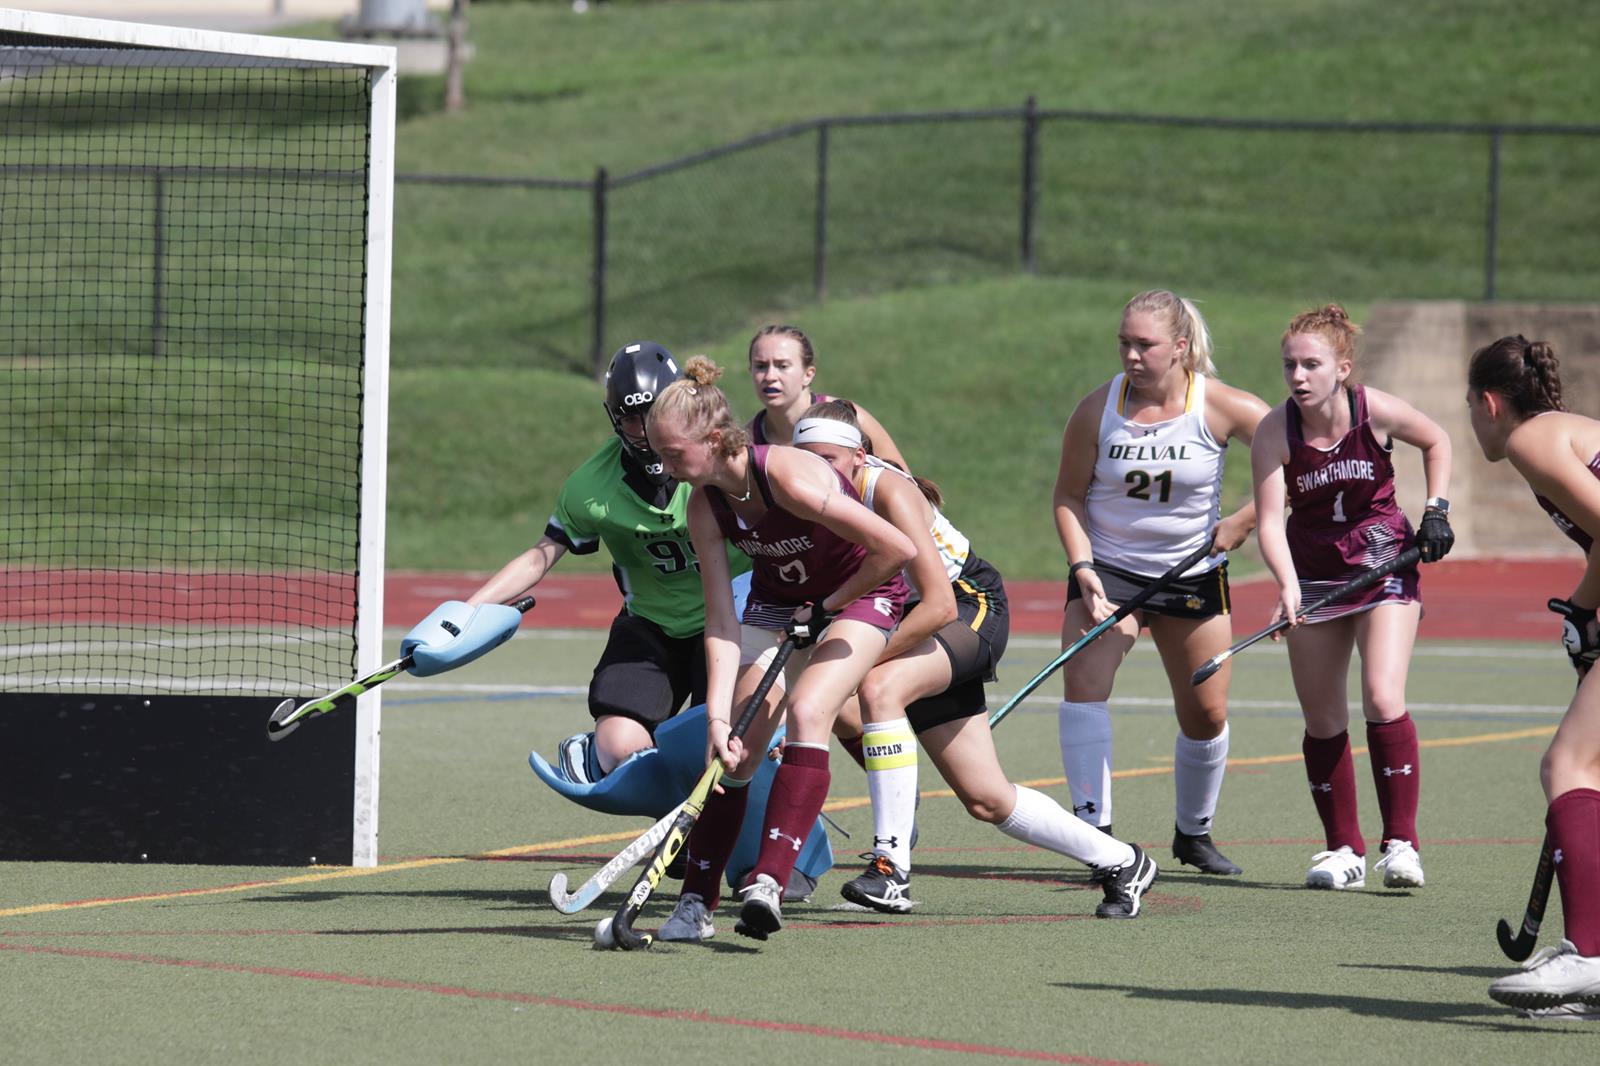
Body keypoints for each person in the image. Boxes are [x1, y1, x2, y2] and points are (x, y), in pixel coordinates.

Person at [795, 401, 1157, 918]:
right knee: (986, 798)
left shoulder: (891, 492)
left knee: (878, 687)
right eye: (807, 460)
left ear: (858, 456)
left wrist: (862, 663)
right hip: (911, 618)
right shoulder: (807, 494)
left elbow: (939, 605)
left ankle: (890, 867)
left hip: (966, 605)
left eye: (829, 457)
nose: (819, 471)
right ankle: (1124, 861)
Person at [645, 356, 916, 943]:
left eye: (672, 455)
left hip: (862, 593)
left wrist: (826, 605)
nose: (665, 469)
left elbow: (895, 549)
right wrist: (719, 717)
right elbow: (720, 622)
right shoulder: (704, 506)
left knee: (810, 709)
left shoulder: (788, 476)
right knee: (736, 753)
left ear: (715, 439)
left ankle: (769, 880)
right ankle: (695, 904)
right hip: (777, 603)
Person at [1053, 289, 1270, 876]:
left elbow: (1299, 462)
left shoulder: (1223, 405)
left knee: (1206, 712)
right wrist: (1083, 568)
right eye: (1123, 342)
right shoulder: (1096, 409)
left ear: (1179, 347)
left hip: (1192, 574)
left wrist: (1245, 521)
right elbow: (1069, 496)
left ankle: (1193, 834)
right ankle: (1095, 838)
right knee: (1085, 687)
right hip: (1111, 573)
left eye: (1143, 344)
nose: (1130, 355)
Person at [457, 342, 745, 781]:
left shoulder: (726, 466)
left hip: (735, 622)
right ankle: (616, 768)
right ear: (614, 419)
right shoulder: (592, 485)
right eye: (632, 418)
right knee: (620, 748)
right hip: (653, 625)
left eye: (654, 412)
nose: (646, 431)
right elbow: (540, 556)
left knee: (729, 746)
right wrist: (465, 613)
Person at [1250, 304, 1454, 891]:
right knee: (1322, 718)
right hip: (1314, 576)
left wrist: (1436, 511)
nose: (1297, 376)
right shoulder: (1275, 430)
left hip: (1383, 561)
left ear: (1341, 368)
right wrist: (1287, 589)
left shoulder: (1374, 410)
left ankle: (1401, 844)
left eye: (1311, 364)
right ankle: (1343, 849)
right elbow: (1269, 522)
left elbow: (1436, 439)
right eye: (1289, 364)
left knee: (1382, 696)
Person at [1464, 335, 1600, 1015]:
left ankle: (1588, 956)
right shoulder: (1570, 430)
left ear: (1490, 403)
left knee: (1569, 766)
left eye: (1470, 408)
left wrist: (1582, 607)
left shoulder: (1532, 441)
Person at [746, 324, 909, 470]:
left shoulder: (848, 417)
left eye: (782, 366)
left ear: (808, 374)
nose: (769, 376)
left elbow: (906, 482)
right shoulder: (748, 442)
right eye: (760, 366)